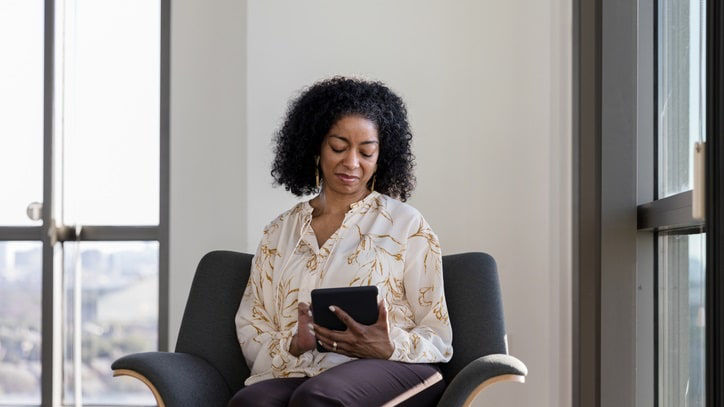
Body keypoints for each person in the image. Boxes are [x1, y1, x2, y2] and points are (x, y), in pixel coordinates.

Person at [229, 77, 453, 407]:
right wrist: (294, 343)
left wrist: (388, 344)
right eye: (338, 147)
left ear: (381, 157)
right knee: (251, 402)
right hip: (302, 369)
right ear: (315, 147)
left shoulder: (406, 224)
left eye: (366, 152)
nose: (351, 162)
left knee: (318, 397)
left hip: (396, 366)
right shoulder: (279, 233)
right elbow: (252, 323)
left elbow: (438, 335)